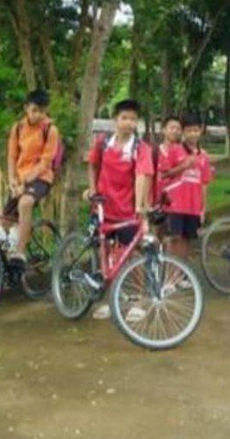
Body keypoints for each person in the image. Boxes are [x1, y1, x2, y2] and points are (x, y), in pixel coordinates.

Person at [85, 99, 155, 321]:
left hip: (127, 212)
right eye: (124, 118)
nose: (128, 123)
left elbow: (142, 176)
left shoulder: (141, 148)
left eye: (133, 119)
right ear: (115, 120)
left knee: (134, 255)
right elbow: (92, 164)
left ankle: (140, 299)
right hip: (103, 209)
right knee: (104, 254)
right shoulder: (102, 142)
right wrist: (92, 190)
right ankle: (110, 299)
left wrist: (140, 206)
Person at [2, 89, 60, 273]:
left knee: (25, 203)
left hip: (41, 177)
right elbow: (12, 156)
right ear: (26, 108)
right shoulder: (18, 128)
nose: (38, 115)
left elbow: (45, 162)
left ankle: (20, 253)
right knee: (4, 224)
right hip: (20, 179)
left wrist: (25, 183)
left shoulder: (50, 130)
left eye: (42, 111)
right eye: (34, 110)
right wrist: (12, 179)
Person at [157, 113, 214, 261]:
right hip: (175, 205)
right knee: (174, 238)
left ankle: (180, 271)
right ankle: (170, 272)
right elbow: (164, 174)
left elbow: (204, 183)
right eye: (189, 130)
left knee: (186, 239)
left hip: (193, 206)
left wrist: (203, 208)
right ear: (183, 131)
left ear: (201, 131)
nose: (192, 134)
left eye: (196, 130)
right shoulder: (175, 150)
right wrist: (183, 166)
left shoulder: (204, 156)